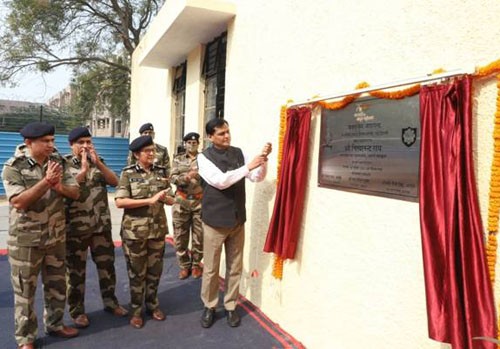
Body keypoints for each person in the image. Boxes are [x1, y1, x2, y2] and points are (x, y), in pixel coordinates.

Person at [2, 122, 80, 349]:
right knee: (25, 292)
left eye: (52, 140)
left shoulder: (57, 161)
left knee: (57, 286)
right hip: (26, 241)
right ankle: (26, 338)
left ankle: (55, 324)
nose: (51, 145)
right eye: (45, 141)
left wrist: (58, 187)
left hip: (55, 237)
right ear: (29, 143)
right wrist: (46, 182)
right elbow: (19, 202)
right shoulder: (13, 167)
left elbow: (74, 192)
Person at [197, 119, 272, 328]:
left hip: (237, 220)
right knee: (211, 268)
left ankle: (230, 306)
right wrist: (248, 166)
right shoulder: (203, 158)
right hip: (214, 221)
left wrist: (263, 161)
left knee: (235, 266)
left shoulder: (239, 153)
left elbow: (256, 177)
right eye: (221, 133)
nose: (227, 136)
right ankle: (209, 305)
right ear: (210, 137)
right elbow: (221, 181)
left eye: (228, 132)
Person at [64, 127, 129, 329]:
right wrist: (82, 171)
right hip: (76, 229)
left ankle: (111, 303)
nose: (85, 146)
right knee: (75, 273)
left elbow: (115, 182)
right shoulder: (63, 164)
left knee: (107, 268)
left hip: (101, 227)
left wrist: (98, 163)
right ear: (71, 145)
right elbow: (65, 191)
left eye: (88, 142)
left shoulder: (99, 163)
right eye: (81, 142)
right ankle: (77, 311)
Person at [115, 135, 175, 329]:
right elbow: (120, 202)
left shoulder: (161, 172)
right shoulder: (128, 173)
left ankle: (152, 305)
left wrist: (165, 198)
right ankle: (136, 310)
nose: (152, 154)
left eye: (152, 150)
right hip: (135, 233)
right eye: (147, 151)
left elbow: (172, 199)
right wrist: (148, 201)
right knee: (136, 273)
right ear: (136, 154)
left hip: (157, 230)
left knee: (155, 271)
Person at [170, 132, 203, 280]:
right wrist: (186, 177)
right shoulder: (178, 159)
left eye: (194, 143)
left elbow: (212, 178)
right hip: (181, 202)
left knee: (199, 236)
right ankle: (184, 266)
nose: (192, 145)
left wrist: (199, 176)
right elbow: (173, 177)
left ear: (198, 144)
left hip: (199, 202)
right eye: (189, 142)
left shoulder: (204, 159)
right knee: (180, 236)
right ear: (185, 144)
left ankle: (196, 265)